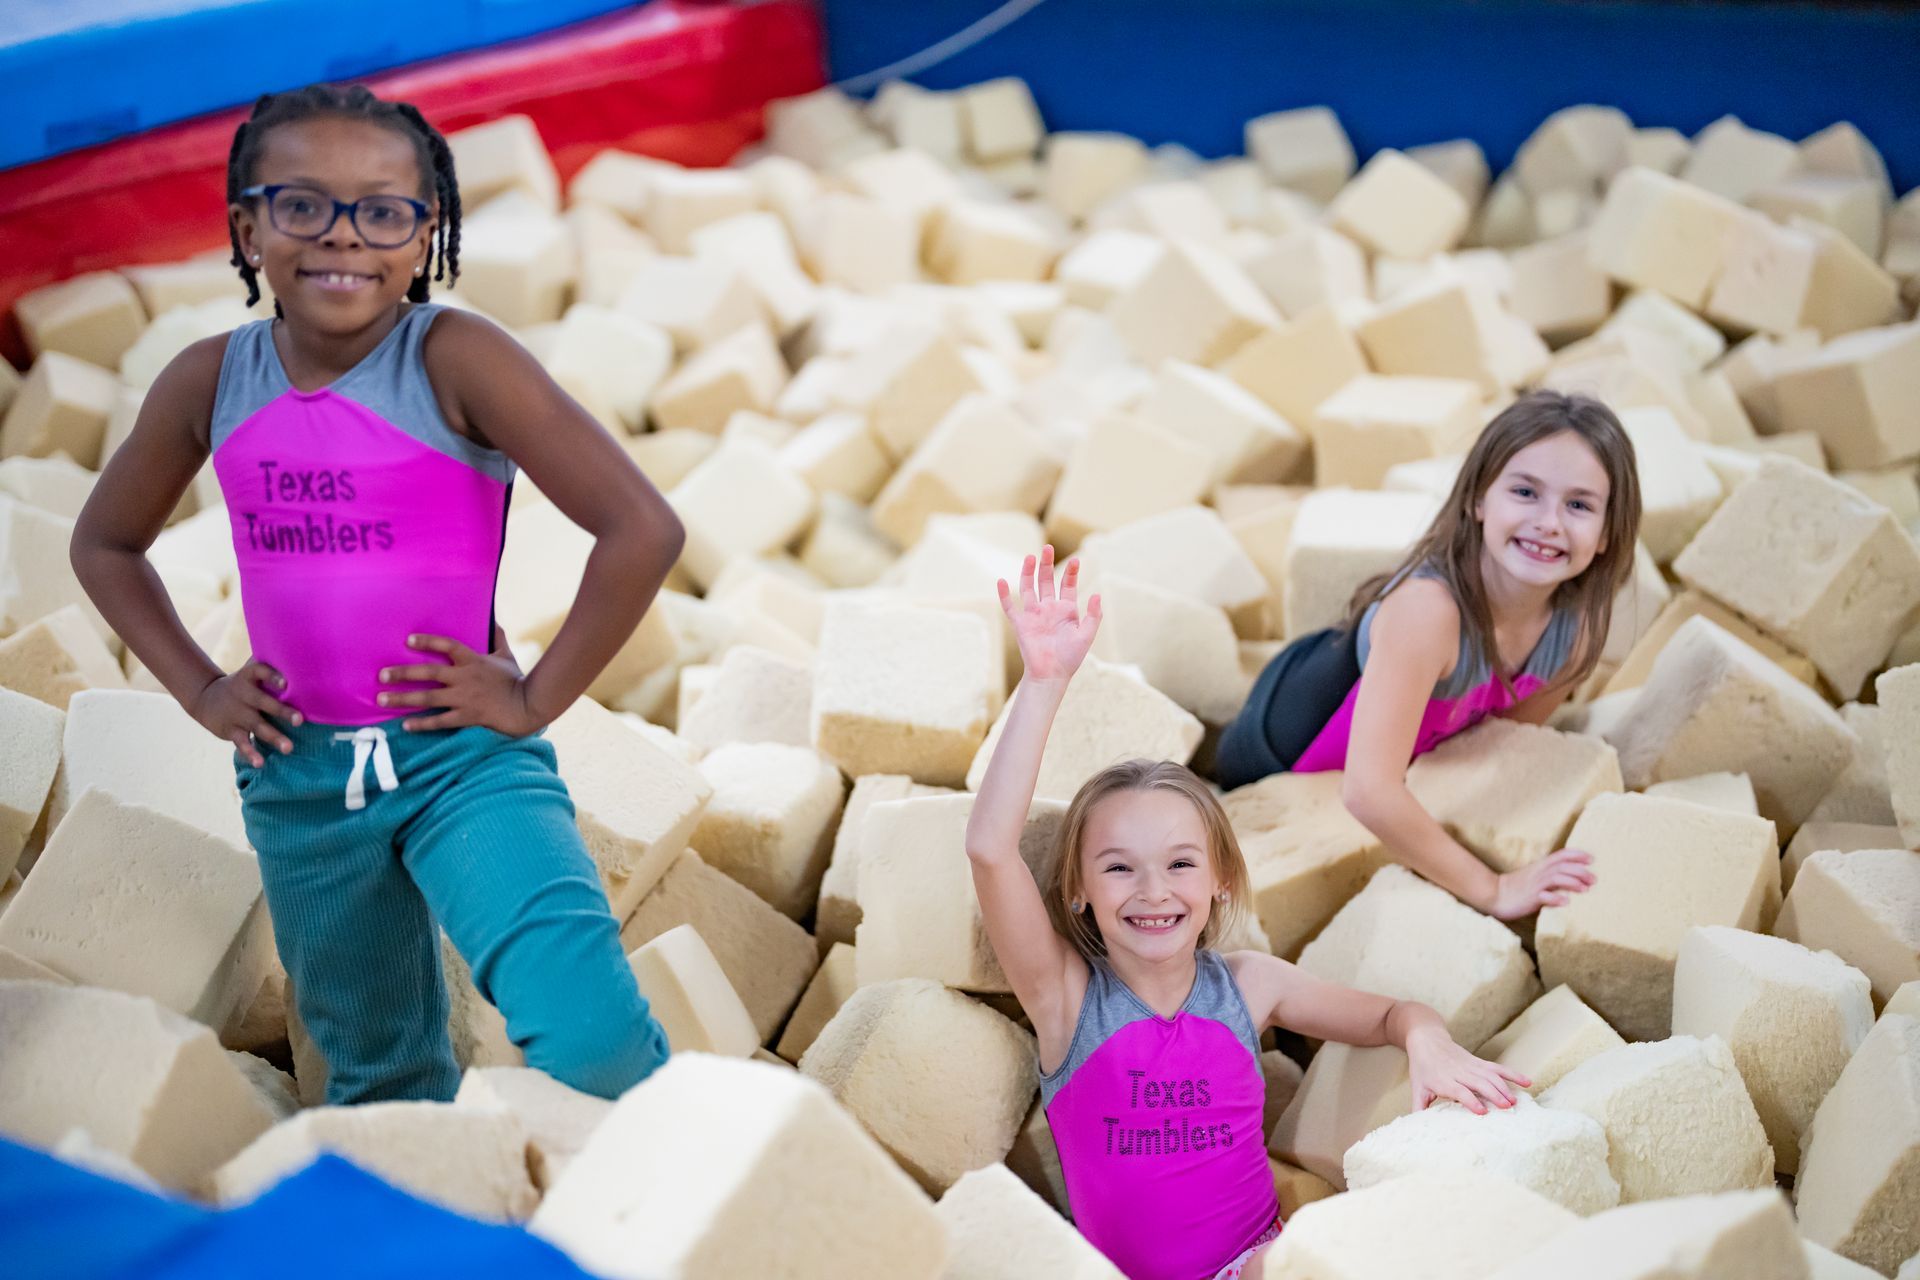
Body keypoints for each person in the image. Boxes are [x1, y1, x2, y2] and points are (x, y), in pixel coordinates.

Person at [70, 83, 682, 1104]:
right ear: (246, 225)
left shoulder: (454, 358)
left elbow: (642, 527)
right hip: (299, 781)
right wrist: (202, 689)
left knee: (593, 1035)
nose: (341, 237)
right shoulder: (209, 379)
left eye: (382, 210)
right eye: (302, 204)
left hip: (460, 757)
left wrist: (531, 702)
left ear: (425, 228)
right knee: (375, 1078)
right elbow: (105, 543)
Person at [965, 548, 1529, 1280]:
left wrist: (1428, 1040)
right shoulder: (1066, 1000)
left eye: (1179, 863)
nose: (1153, 890)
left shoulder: (1250, 986)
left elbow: (1394, 1017)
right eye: (1118, 867)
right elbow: (989, 850)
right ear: (1077, 888)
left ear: (1221, 881)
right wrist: (1043, 684)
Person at [1212, 390, 1643, 920]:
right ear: (1478, 500)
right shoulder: (1429, 612)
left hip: (1406, 748)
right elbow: (1368, 792)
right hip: (1280, 742)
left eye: (1579, 505)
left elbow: (1492, 748)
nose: (1550, 522)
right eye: (1525, 492)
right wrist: (1492, 888)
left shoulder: (1570, 633)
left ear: (1606, 534)